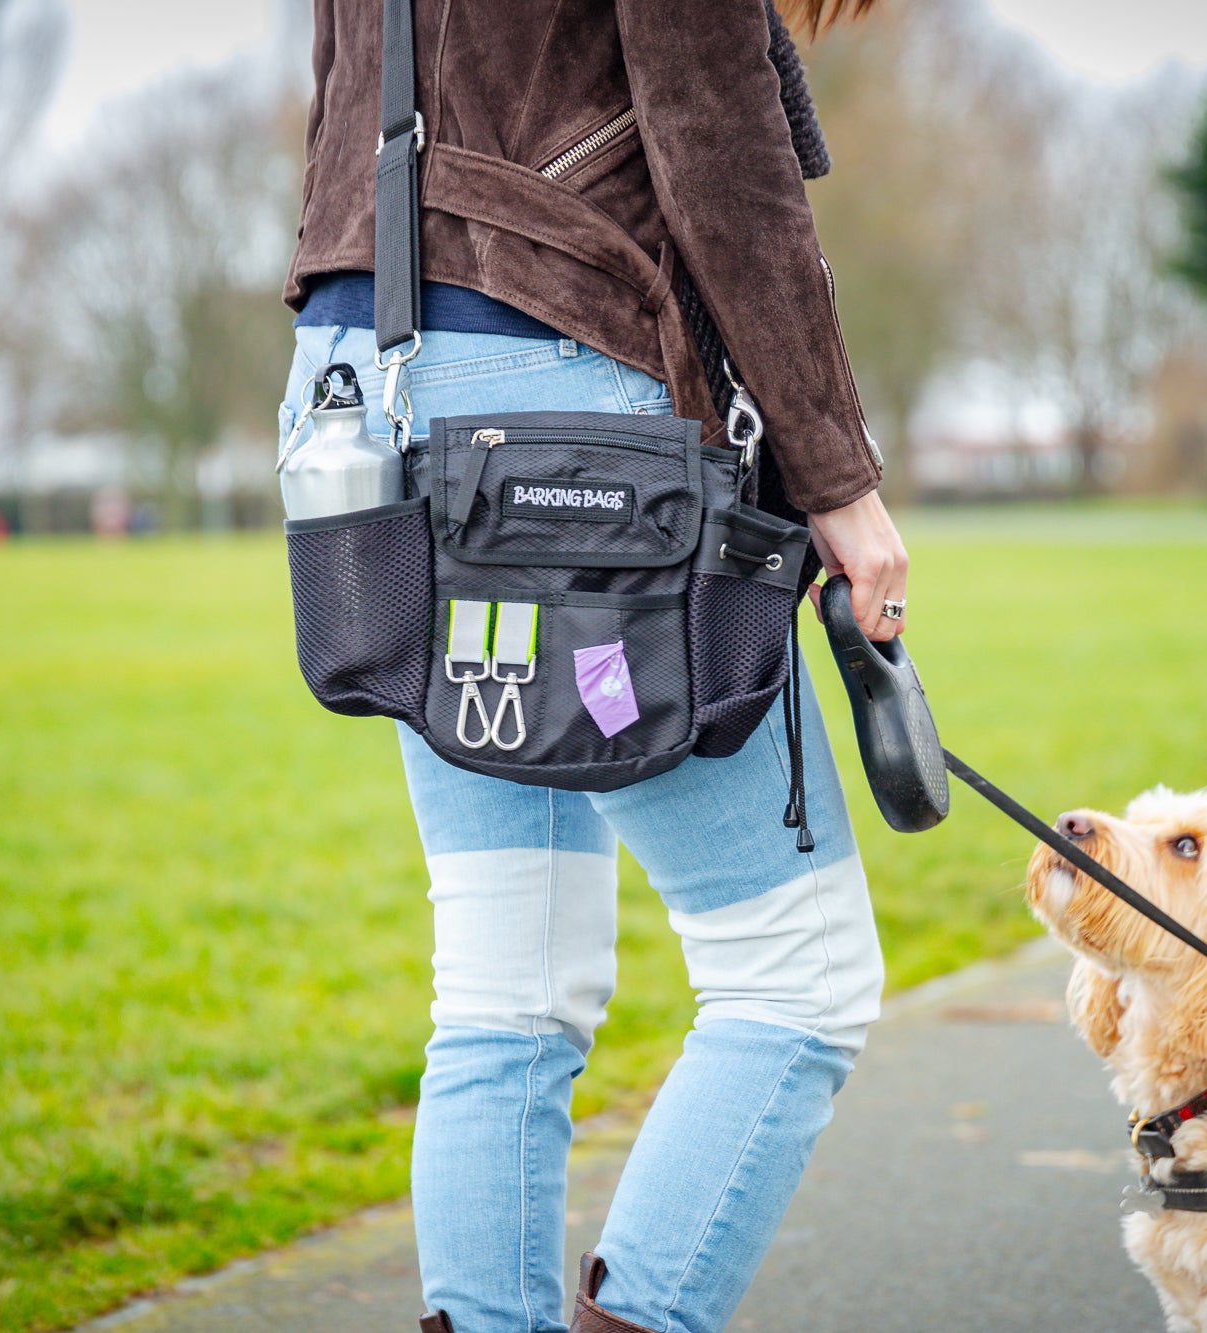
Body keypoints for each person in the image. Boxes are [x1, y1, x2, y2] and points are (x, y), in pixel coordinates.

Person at [278, 2, 906, 1329]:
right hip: (558, 389)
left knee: (510, 978)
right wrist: (837, 476)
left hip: (367, 373)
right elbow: (717, 135)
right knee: (797, 974)